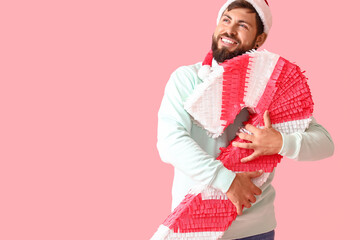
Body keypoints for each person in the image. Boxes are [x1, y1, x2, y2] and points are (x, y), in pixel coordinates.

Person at [156, 0, 334, 239]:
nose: (229, 30)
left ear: (259, 40)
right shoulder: (187, 79)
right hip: (194, 223)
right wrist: (228, 181)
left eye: (242, 25)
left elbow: (325, 143)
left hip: (254, 229)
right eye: (226, 20)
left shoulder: (272, 86)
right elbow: (170, 143)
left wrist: (280, 142)